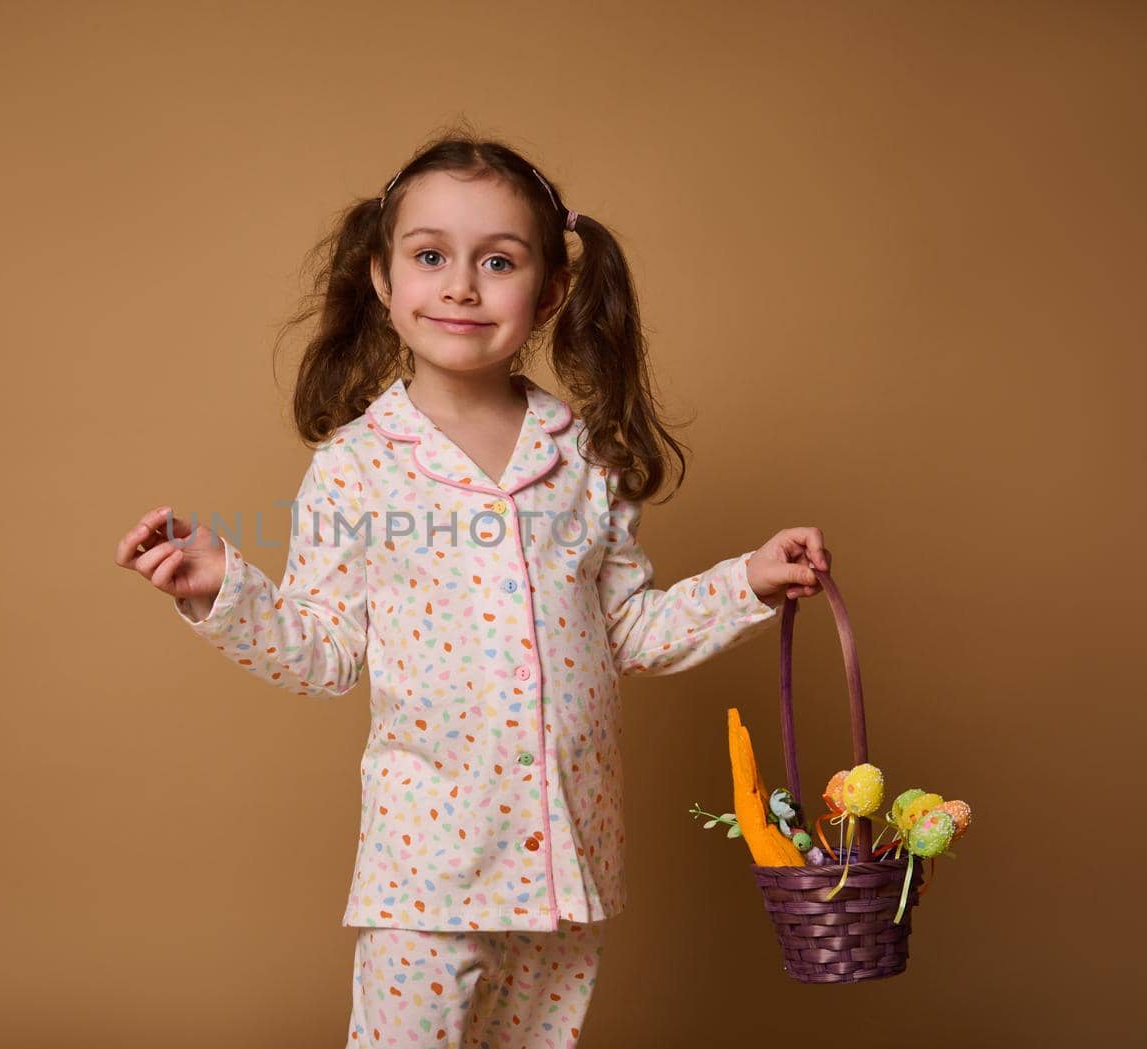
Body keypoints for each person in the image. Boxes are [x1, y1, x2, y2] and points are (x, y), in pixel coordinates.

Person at [116, 130, 832, 1048]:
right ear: (383, 279)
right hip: (429, 865)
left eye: (497, 261)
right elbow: (326, 654)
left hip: (567, 856)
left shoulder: (580, 457)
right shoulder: (358, 468)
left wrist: (750, 581)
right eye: (430, 257)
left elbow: (630, 630)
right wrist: (222, 587)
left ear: (552, 290)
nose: (460, 285)